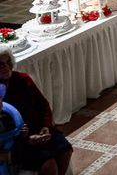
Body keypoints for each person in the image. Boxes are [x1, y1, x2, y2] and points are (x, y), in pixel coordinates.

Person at [0, 47, 72, 175]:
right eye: (0, 64)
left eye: (8, 62)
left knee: (64, 149)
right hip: (17, 140)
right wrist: (24, 137)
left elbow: (43, 104)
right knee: (48, 165)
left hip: (38, 129)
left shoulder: (23, 79)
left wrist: (46, 127)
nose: (6, 67)